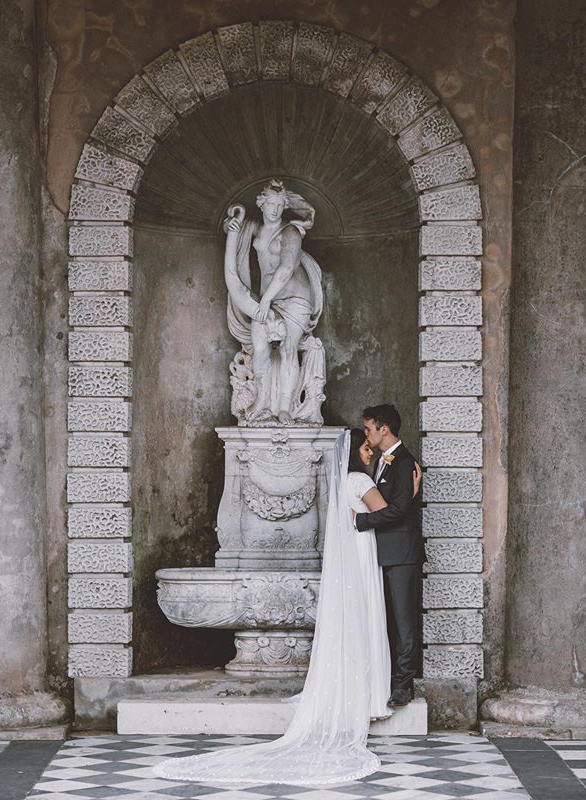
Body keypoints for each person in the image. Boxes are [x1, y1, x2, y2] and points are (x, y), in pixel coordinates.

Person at [154, 429, 420, 786]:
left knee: (352, 625)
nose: (370, 451)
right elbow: (390, 513)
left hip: (351, 562)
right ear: (356, 453)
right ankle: (369, 694)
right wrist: (413, 492)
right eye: (366, 447)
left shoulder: (340, 483)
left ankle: (354, 690)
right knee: (367, 621)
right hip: (362, 561)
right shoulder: (359, 479)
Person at [223, 179, 325, 424]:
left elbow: (287, 267)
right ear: (262, 203)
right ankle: (262, 403)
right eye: (271, 203)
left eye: (280, 204)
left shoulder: (290, 231)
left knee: (289, 349)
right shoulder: (256, 228)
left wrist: (265, 301)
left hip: (294, 298)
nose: (275, 209)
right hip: (267, 302)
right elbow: (233, 229)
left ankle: (285, 408)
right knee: (259, 347)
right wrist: (232, 224)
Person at [354, 403, 424, 707]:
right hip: (383, 552)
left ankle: (404, 685)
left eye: (370, 428)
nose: (367, 434)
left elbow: (397, 510)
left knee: (404, 620)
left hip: (401, 553)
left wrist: (361, 521)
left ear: (384, 429)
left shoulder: (405, 462)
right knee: (388, 620)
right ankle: (389, 680)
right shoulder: (385, 460)